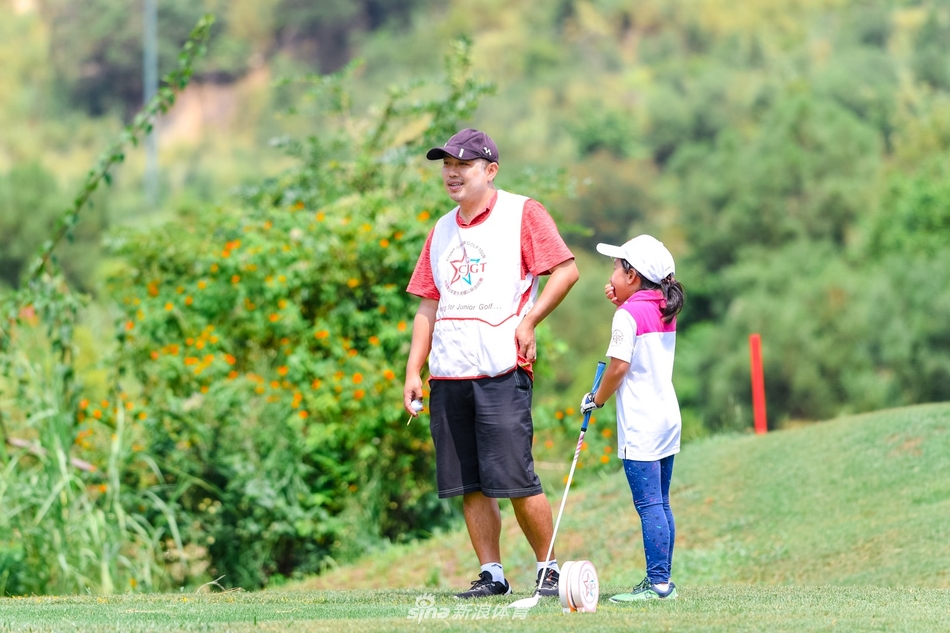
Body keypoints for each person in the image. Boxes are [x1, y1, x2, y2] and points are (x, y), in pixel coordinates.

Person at [403, 128, 579, 599]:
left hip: (502, 367)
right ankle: (492, 574)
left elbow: (566, 270)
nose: (452, 173)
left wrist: (530, 322)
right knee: (470, 484)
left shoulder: (523, 213)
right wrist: (413, 371)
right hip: (449, 372)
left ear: (490, 170)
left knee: (517, 477)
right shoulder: (441, 230)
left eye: (462, 164)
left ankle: (549, 570)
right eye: (446, 165)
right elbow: (427, 304)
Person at [579, 234, 686, 602]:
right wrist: (621, 303)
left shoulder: (628, 313)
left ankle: (657, 586)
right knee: (661, 501)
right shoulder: (662, 304)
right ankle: (662, 581)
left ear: (633, 274)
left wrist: (596, 399)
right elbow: (636, 324)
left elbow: (619, 366)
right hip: (667, 415)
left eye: (616, 267)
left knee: (649, 505)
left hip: (642, 420)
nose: (611, 273)